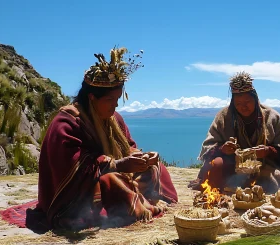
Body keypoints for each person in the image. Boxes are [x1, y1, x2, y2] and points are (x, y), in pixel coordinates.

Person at [30, 47, 178, 230]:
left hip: (115, 174)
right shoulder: (66, 123)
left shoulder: (114, 119)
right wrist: (118, 165)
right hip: (80, 192)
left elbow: (129, 146)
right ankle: (135, 203)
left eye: (118, 99)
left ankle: (137, 201)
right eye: (110, 100)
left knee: (156, 168)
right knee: (113, 182)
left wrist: (143, 158)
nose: (115, 105)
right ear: (92, 98)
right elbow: (74, 168)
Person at [189, 72, 280, 194]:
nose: (243, 107)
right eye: (238, 103)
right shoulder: (223, 117)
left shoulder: (271, 116)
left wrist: (268, 151)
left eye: (247, 101)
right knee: (215, 166)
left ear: (255, 99)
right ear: (233, 103)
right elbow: (209, 146)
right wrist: (223, 149)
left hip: (265, 166)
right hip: (232, 166)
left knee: (271, 182)